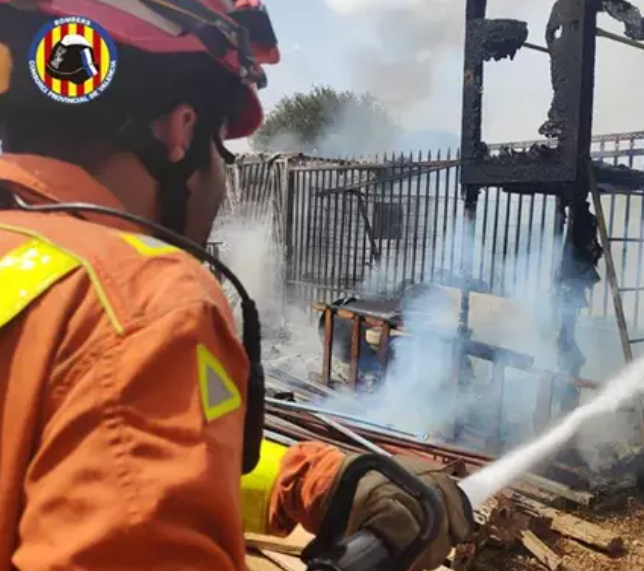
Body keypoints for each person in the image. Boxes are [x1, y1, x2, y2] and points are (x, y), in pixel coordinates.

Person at [0, 2, 472, 570]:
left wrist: (313, 481)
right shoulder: (138, 306)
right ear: (181, 131)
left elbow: (104, 460)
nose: (222, 172)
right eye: (222, 145)